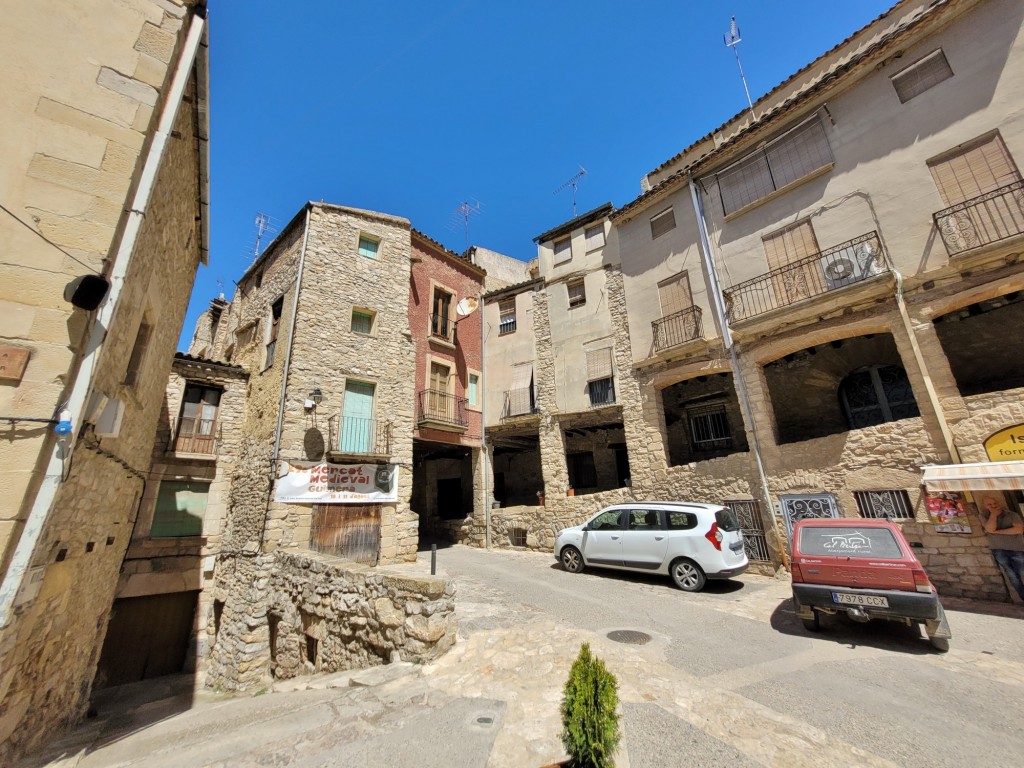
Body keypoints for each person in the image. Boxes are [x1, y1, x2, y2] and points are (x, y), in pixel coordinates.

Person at [979, 494, 1024, 601]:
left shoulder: (1012, 515)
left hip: (1016, 548)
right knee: (1012, 576)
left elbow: (1018, 530)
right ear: (985, 506)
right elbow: (990, 528)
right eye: (989, 504)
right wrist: (993, 516)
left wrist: (997, 532)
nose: (993, 506)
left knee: (1023, 572)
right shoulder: (984, 516)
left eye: (995, 503)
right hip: (999, 549)